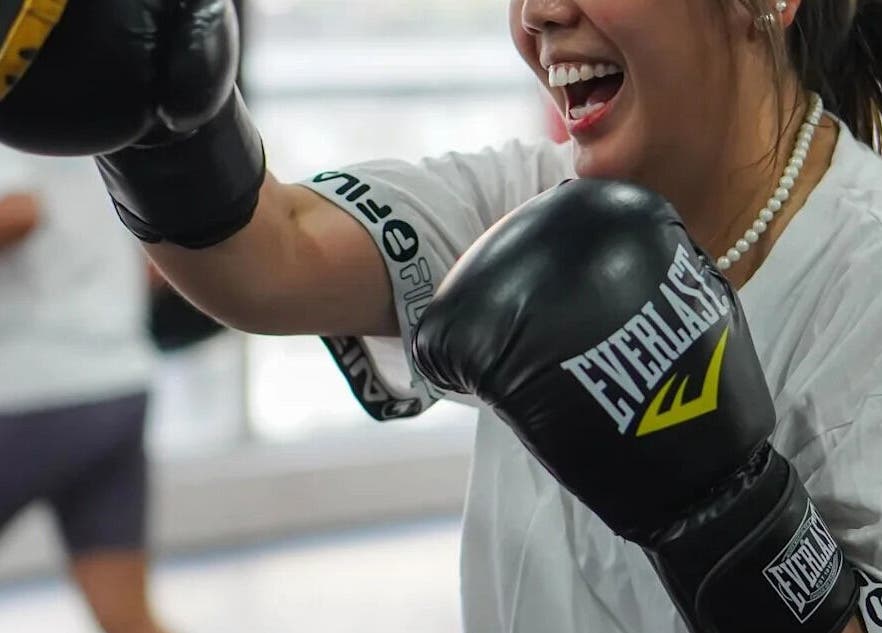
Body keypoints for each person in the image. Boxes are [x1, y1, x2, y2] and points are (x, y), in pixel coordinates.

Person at [0, 0, 880, 631]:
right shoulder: (527, 199)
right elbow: (272, 253)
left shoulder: (864, 273)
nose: (536, 14)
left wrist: (735, 516)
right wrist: (165, 129)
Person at [0, 148, 169, 633]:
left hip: (32, 392)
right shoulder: (92, 120)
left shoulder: (10, 117)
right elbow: (153, 264)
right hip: (117, 383)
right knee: (126, 618)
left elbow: (18, 210)